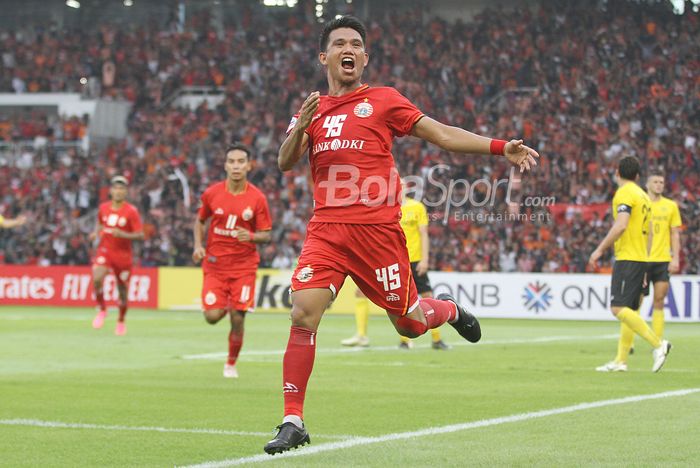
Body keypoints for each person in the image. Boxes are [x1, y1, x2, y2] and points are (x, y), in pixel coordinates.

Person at [264, 16, 539, 454]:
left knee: (410, 325)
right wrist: (300, 126)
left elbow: (442, 135)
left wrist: (499, 146)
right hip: (328, 231)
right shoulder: (310, 111)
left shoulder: (384, 100)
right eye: (339, 44)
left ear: (365, 57)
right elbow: (284, 162)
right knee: (303, 313)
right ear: (325, 57)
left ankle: (446, 309)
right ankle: (293, 419)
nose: (348, 49)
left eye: (357, 43)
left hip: (377, 234)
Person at [192, 143, 272, 379]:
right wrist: (198, 245)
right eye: (232, 162)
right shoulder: (212, 194)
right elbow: (200, 221)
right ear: (225, 165)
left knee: (238, 318)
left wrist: (253, 236)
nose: (236, 166)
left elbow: (267, 234)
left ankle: (230, 363)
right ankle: (228, 303)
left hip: (244, 267)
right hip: (215, 265)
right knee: (212, 317)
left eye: (240, 162)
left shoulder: (257, 198)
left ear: (249, 166)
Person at [341, 185, 450, 350]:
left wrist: (425, 259)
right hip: (392, 260)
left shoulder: (416, 207)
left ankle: (436, 339)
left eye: (401, 184)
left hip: (414, 259)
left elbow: (424, 233)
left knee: (426, 295)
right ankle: (380, 338)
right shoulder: (383, 207)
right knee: (384, 295)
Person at [589, 156, 670, 373]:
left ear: (617, 172)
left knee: (618, 308)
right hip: (642, 257)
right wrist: (646, 259)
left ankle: (658, 344)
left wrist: (600, 249)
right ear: (637, 176)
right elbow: (651, 231)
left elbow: (621, 225)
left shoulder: (624, 193)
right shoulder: (644, 196)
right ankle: (621, 360)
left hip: (628, 258)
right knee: (631, 309)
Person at [625, 170, 682, 358]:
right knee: (635, 303)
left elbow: (675, 233)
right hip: (641, 259)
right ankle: (629, 342)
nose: (659, 185)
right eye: (656, 182)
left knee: (659, 300)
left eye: (662, 182)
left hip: (662, 260)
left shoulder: (671, 206)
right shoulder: (640, 203)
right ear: (647, 184)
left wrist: (676, 258)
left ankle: (658, 343)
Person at [90, 175, 144, 336]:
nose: (118, 191)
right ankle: (102, 309)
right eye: (116, 188)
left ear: (126, 192)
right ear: (111, 191)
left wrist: (123, 234)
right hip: (105, 250)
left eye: (122, 188)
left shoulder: (131, 211)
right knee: (97, 278)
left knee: (122, 290)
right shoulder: (103, 208)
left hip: (123, 255)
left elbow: (140, 235)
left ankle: (121, 320)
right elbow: (100, 223)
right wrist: (96, 233)